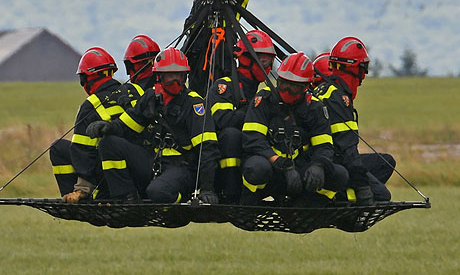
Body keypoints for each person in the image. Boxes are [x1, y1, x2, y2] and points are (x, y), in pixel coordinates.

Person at [86, 47, 221, 204]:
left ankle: (183, 199)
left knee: (157, 192)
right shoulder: (150, 98)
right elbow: (126, 127)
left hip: (182, 168)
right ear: (159, 77)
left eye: (180, 75)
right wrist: (108, 127)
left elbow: (208, 149)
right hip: (153, 162)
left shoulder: (194, 104)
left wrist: (206, 189)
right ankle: (127, 198)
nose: (176, 81)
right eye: (170, 76)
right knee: (108, 143)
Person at [240, 52, 348, 206]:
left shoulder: (315, 108)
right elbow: (253, 141)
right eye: (284, 84)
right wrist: (282, 164)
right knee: (256, 168)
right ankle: (248, 206)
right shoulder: (264, 100)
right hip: (271, 168)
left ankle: (304, 209)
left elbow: (324, 146)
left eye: (294, 87)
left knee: (339, 174)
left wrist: (318, 165)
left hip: (299, 171)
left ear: (305, 87)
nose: (287, 91)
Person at [314, 36, 395, 203]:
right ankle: (338, 198)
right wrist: (362, 187)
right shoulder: (337, 98)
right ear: (353, 68)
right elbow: (347, 150)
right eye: (363, 68)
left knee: (385, 162)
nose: (364, 75)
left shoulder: (326, 90)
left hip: (329, 161)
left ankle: (346, 191)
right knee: (382, 196)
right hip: (333, 164)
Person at [207, 30, 276, 203]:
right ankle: (230, 193)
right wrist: (255, 112)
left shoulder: (263, 94)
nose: (267, 66)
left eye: (270, 61)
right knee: (232, 135)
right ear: (246, 58)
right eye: (263, 60)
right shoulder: (224, 86)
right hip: (221, 160)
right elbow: (223, 120)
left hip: (253, 156)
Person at [49, 47, 124, 203]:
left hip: (106, 170)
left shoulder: (91, 105)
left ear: (87, 78)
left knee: (58, 148)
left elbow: (82, 150)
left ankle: (74, 197)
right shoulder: (129, 94)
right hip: (131, 172)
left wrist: (83, 188)